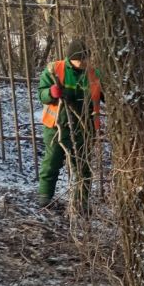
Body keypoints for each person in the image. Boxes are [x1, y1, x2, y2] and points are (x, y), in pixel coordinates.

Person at [37, 39, 102, 211]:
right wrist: (51, 93)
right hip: (57, 126)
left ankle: (81, 203)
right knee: (52, 162)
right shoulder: (54, 70)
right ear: (71, 58)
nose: (84, 63)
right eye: (80, 60)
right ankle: (45, 197)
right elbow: (42, 94)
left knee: (83, 167)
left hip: (85, 128)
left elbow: (105, 94)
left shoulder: (95, 75)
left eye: (86, 59)